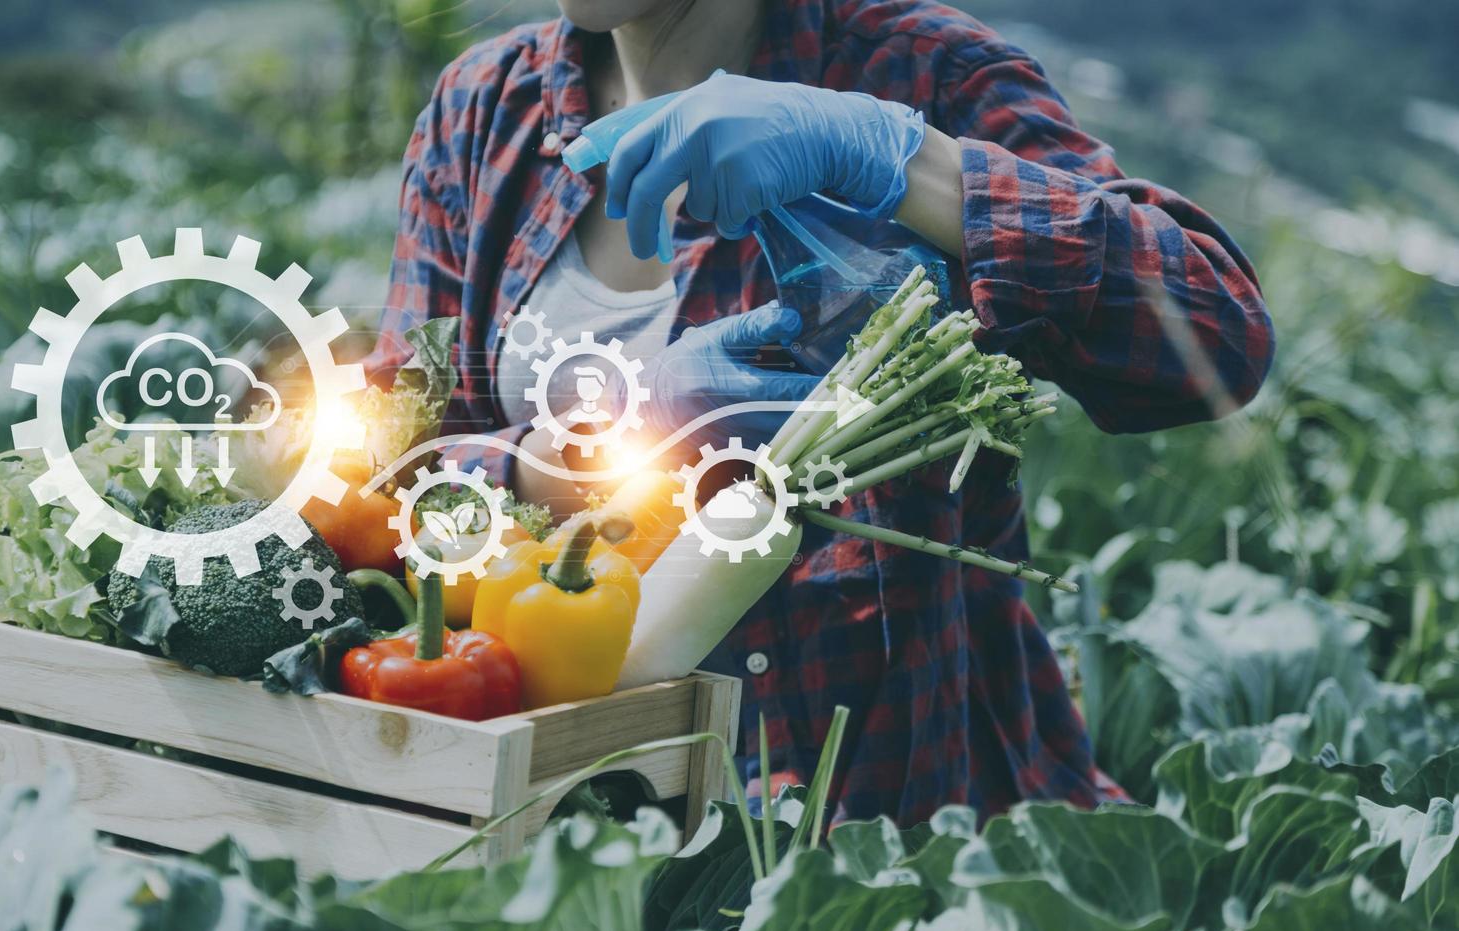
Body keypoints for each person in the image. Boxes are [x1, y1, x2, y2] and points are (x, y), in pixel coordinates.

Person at [367, 0, 1274, 825]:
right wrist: (596, 450)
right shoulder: (482, 112)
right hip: (563, 805)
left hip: (886, 809)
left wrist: (889, 151)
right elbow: (390, 486)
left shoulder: (924, 73)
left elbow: (1214, 338)